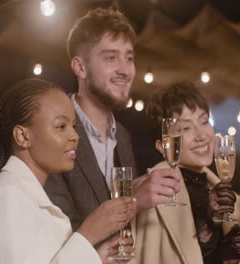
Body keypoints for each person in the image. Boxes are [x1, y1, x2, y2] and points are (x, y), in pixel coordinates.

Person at [44, 7, 182, 235]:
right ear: (80, 67)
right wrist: (135, 202)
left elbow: (126, 231)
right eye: (111, 57)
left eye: (129, 58)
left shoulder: (124, 137)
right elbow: (56, 234)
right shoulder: (52, 132)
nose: (125, 70)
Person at [0, 78, 135, 263]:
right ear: (23, 136)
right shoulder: (8, 196)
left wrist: (96, 257)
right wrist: (88, 234)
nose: (74, 136)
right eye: (60, 127)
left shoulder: (27, 194)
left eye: (73, 126)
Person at [130, 82, 240, 264]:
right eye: (185, 128)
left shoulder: (222, 194)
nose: (202, 135)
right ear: (162, 146)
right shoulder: (146, 195)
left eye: (204, 121)